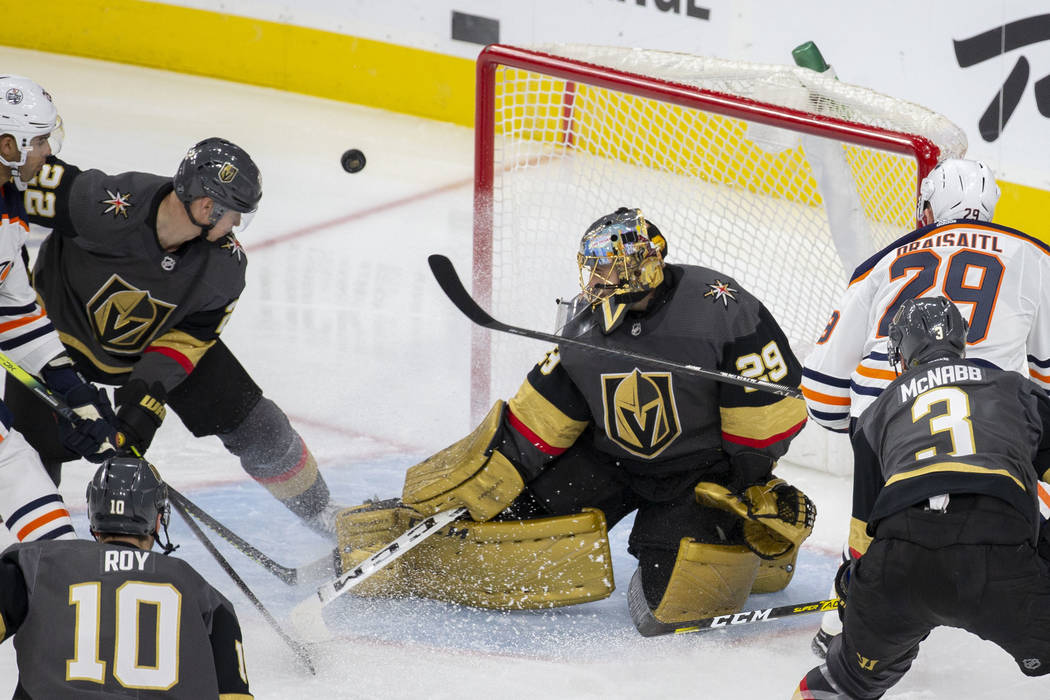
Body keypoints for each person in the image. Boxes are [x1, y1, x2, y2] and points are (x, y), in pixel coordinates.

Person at [334, 207, 814, 628]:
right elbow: (540, 418)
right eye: (594, 267)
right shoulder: (585, 321)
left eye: (611, 266)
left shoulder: (719, 307)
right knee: (507, 533)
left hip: (699, 472)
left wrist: (747, 478)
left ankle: (763, 549)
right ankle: (405, 553)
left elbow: (769, 405)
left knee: (671, 609)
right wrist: (488, 477)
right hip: (610, 461)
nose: (598, 280)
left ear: (647, 264)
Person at [18, 136, 341, 536]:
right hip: (50, 340)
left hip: (148, 345)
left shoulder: (225, 267)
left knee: (259, 426)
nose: (236, 225)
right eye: (234, 214)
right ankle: (17, 552)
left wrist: (141, 406)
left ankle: (325, 517)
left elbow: (185, 341)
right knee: (26, 453)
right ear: (207, 207)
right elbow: (14, 183)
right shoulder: (104, 202)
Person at [800, 157, 1050, 656]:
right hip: (990, 419)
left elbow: (823, 386)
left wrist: (859, 427)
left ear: (928, 210)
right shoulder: (1035, 256)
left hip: (884, 418)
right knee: (1015, 507)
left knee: (881, 522)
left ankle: (851, 618)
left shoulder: (883, 260)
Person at [794, 297, 1050, 698]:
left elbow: (863, 534)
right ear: (961, 342)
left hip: (899, 564)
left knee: (839, 685)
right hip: (998, 555)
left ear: (901, 351)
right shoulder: (1014, 389)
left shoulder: (876, 414)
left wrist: (853, 594)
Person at [0, 456, 254, 698]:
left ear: (93, 512)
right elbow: (233, 695)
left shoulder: (34, 563)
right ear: (157, 521)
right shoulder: (204, 596)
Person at [0, 75, 120, 542]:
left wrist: (72, 388)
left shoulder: (9, 203)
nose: (49, 152)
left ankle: (58, 582)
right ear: (8, 143)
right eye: (41, 141)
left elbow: (14, 310)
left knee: (21, 471)